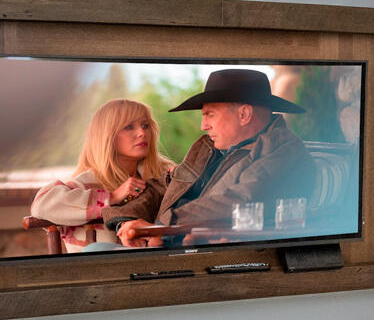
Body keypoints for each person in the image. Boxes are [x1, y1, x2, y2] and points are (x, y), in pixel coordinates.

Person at [116, 68, 317, 247]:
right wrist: (126, 221)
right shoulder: (207, 148)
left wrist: (159, 228)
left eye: (210, 115)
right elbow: (163, 186)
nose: (203, 126)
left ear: (244, 114)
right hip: (163, 243)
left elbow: (240, 200)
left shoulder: (283, 151)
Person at [24, 97, 172, 251]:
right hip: (101, 271)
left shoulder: (163, 176)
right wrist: (111, 197)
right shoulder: (86, 183)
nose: (142, 132)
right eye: (129, 127)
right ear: (107, 136)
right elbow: (41, 205)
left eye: (145, 125)